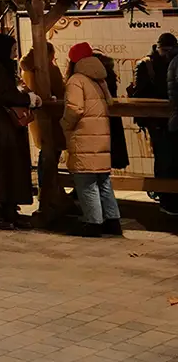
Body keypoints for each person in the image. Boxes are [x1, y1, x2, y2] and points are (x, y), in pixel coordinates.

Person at [62, 41, 121, 236]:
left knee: (86, 182)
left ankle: (93, 223)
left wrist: (64, 124)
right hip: (101, 136)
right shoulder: (100, 78)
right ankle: (112, 221)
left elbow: (74, 108)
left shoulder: (76, 80)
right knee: (103, 181)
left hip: (83, 136)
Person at [0, 34, 36, 230]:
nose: (15, 51)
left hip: (9, 127)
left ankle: (10, 209)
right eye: (12, 48)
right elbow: (4, 95)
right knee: (0, 170)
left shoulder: (4, 67)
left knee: (11, 169)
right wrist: (28, 100)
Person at [20, 47, 72, 225]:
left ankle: (50, 193)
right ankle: (50, 195)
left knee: (45, 156)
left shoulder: (26, 70)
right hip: (52, 118)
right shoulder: (49, 69)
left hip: (37, 119)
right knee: (50, 157)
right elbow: (60, 90)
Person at [129, 32, 178, 213]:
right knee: (165, 159)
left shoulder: (148, 64)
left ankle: (168, 198)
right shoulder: (147, 64)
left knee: (167, 159)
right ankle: (166, 199)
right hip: (157, 121)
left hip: (162, 119)